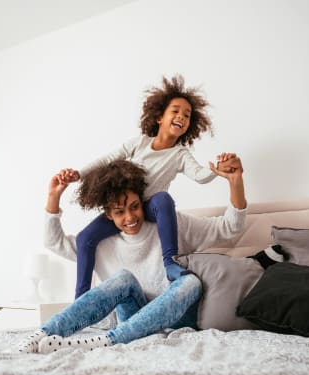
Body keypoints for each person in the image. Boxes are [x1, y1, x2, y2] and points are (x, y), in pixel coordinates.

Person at [17, 155, 246, 354]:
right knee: (123, 278)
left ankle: (108, 340)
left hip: (177, 319)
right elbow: (53, 242)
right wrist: (53, 197)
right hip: (130, 319)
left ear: (142, 202)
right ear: (108, 215)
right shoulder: (101, 243)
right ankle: (41, 335)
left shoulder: (173, 224)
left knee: (191, 282)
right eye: (119, 211)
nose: (130, 217)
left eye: (134, 206)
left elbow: (229, 229)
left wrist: (235, 182)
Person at [58, 74, 235, 299]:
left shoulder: (180, 154)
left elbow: (200, 175)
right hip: (126, 207)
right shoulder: (139, 142)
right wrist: (77, 174)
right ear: (160, 116)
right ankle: (80, 297)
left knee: (163, 199)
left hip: (149, 208)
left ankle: (170, 262)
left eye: (187, 115)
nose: (182, 116)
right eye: (176, 111)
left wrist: (217, 168)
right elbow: (107, 159)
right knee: (84, 238)